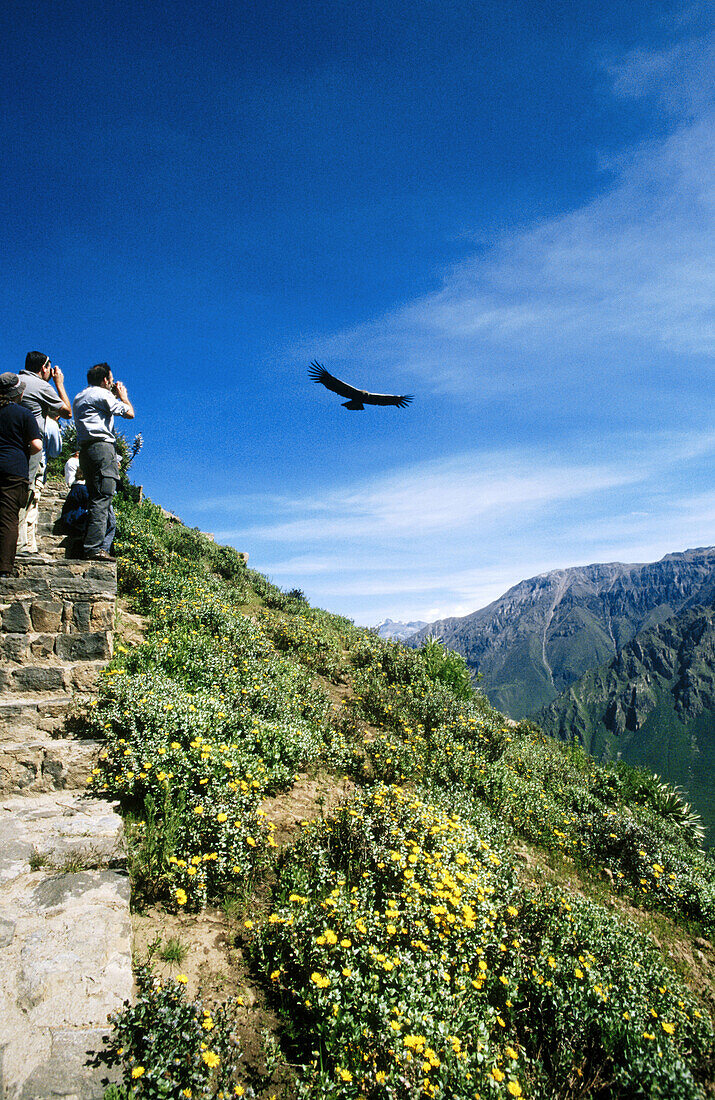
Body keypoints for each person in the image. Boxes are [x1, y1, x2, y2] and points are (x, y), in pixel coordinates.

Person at [72, 363, 134, 561]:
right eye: (111, 379)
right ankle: (93, 548)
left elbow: (101, 408)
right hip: (102, 449)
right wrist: (122, 395)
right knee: (103, 495)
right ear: (105, 380)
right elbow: (129, 413)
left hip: (86, 450)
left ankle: (93, 544)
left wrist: (112, 395)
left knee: (95, 495)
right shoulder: (103, 394)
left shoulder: (80, 396)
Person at [17, 351, 72, 554]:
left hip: (9, 446)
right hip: (32, 449)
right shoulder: (41, 386)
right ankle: (24, 545)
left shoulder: (14, 382)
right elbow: (67, 411)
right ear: (44, 368)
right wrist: (59, 383)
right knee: (30, 494)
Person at [0, 373, 43, 576]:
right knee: (8, 518)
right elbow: (37, 445)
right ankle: (4, 568)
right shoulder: (24, 413)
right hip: (13, 469)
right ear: (19, 392)